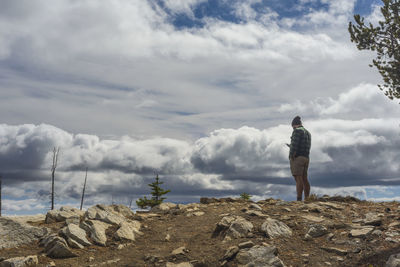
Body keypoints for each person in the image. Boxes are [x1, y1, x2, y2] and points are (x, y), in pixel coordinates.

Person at [289, 116, 311, 201]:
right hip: (306, 157)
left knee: (298, 178)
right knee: (305, 178)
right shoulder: (308, 132)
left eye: (293, 127)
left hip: (298, 158)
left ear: (294, 125)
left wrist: (292, 155)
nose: (293, 129)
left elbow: (295, 145)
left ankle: (299, 199)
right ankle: (307, 198)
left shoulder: (297, 131)